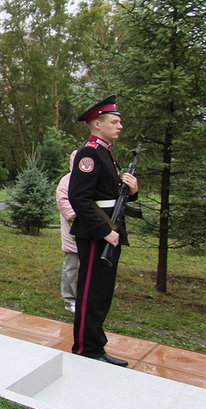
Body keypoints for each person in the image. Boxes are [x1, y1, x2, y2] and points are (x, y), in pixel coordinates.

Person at [68, 95, 138, 366]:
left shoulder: (104, 151)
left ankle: (96, 345)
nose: (120, 126)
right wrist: (102, 231)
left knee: (102, 291)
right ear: (97, 124)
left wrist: (132, 191)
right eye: (114, 121)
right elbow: (79, 197)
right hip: (98, 233)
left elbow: (108, 196)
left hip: (110, 230)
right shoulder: (90, 153)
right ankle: (86, 348)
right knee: (91, 292)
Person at [55, 152, 79, 312]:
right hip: (74, 230)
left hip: (94, 230)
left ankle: (86, 296)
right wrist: (77, 218)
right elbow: (62, 201)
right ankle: (70, 299)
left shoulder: (93, 179)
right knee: (72, 264)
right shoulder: (67, 181)